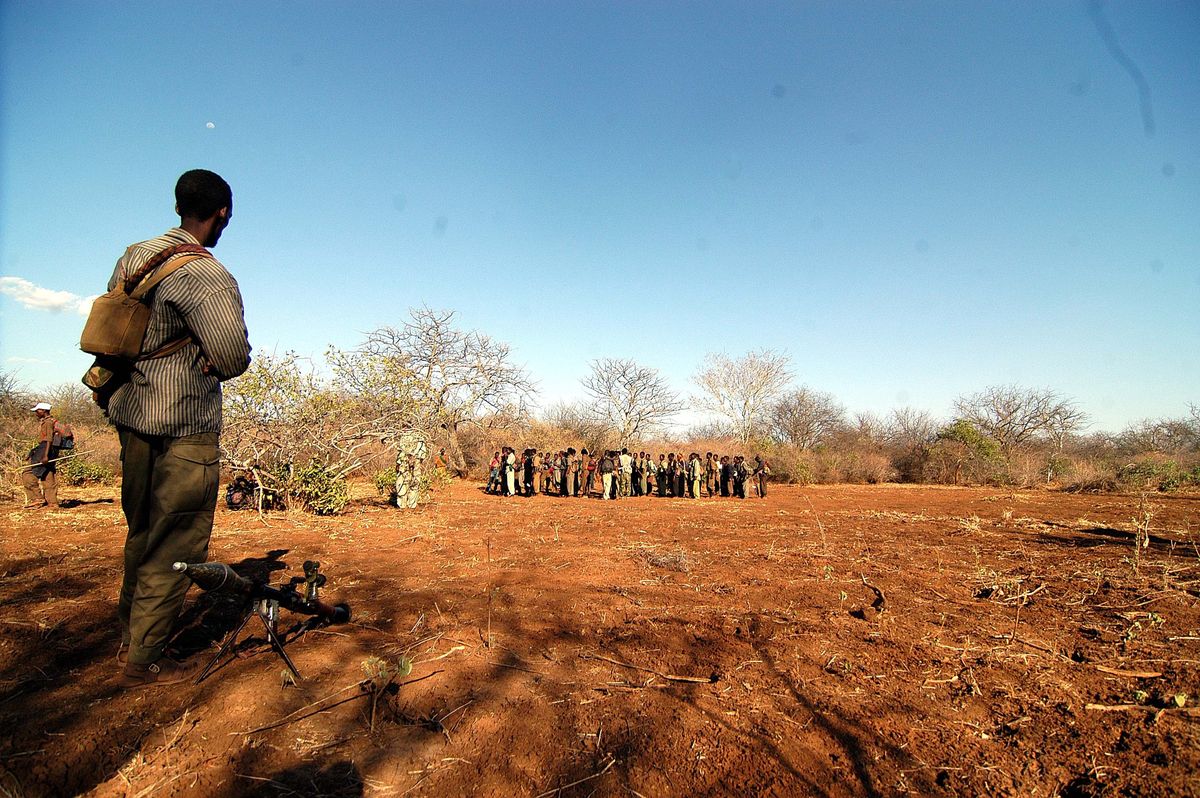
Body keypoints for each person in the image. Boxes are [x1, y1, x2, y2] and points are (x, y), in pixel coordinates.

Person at [109, 169, 251, 689]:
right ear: (222, 215)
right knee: (177, 541)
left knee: (142, 530)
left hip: (131, 414)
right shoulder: (209, 275)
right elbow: (232, 355)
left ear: (177, 207)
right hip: (184, 424)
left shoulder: (135, 257)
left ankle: (129, 632)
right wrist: (214, 360)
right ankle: (145, 658)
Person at [21, 402, 59, 509]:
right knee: (47, 473)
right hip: (50, 451)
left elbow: (48, 439)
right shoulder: (51, 421)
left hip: (45, 450)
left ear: (44, 411)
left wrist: (45, 455)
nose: (36, 413)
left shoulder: (48, 423)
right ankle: (52, 502)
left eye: (38, 411)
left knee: (27, 472)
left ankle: (36, 499)